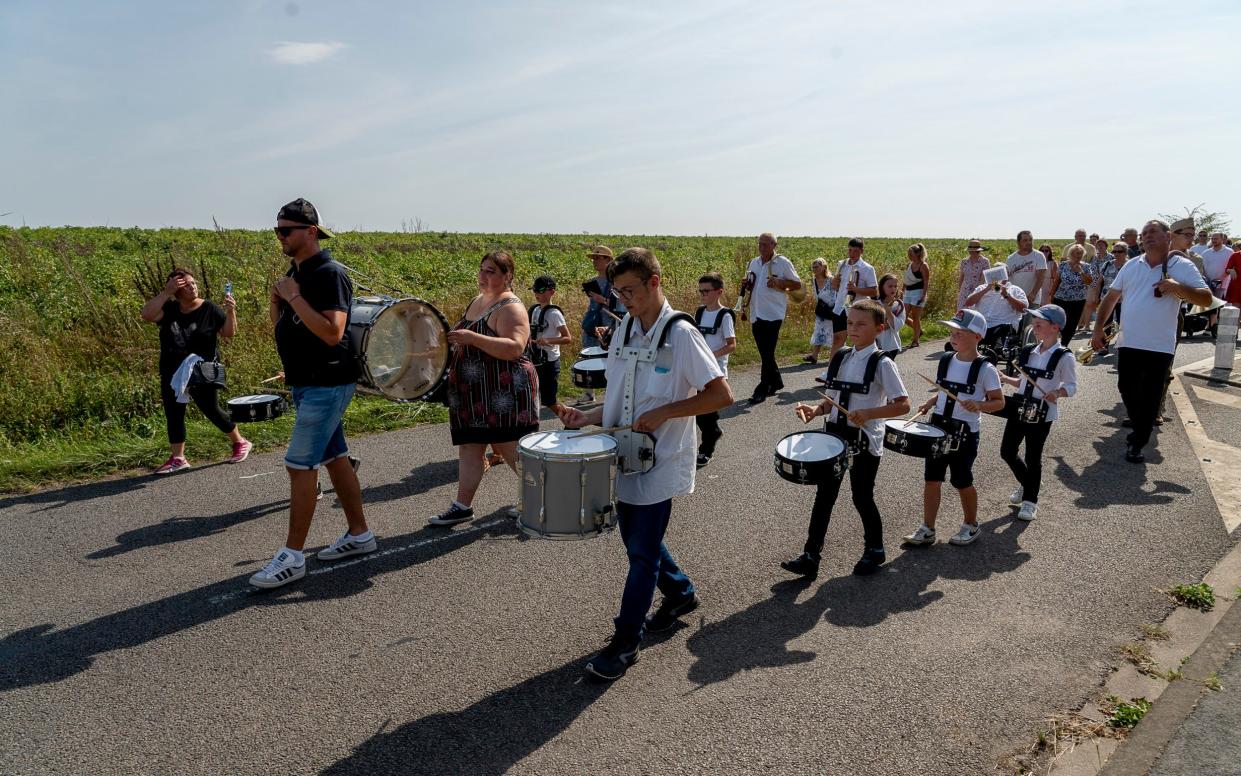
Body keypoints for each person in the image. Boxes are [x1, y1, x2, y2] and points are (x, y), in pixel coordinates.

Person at [556, 247, 732, 681]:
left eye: (631, 290)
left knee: (640, 552)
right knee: (637, 538)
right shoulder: (625, 329)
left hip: (661, 458)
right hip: (623, 453)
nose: (624, 299)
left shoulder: (682, 334)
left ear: (655, 282)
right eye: (618, 292)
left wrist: (668, 411)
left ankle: (625, 642)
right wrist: (589, 416)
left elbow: (720, 395)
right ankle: (680, 592)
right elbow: (622, 398)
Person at [250, 198, 373, 589]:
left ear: (311, 232)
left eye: (285, 230)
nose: (280, 237)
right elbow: (284, 327)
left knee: (299, 466)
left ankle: (292, 556)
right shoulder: (296, 273)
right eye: (277, 231)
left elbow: (333, 331)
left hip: (327, 381)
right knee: (335, 458)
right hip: (306, 380)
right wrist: (278, 302)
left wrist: (293, 297)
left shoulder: (328, 273)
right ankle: (359, 534)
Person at [781, 300, 910, 579]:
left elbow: (903, 405)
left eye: (861, 324)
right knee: (824, 496)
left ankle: (875, 549)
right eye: (850, 323)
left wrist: (870, 412)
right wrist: (816, 410)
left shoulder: (882, 363)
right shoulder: (840, 356)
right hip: (835, 436)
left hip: (864, 440)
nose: (853, 328)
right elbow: (832, 399)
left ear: (879, 328)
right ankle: (811, 556)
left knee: (862, 497)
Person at [429, 251, 540, 526]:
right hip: (473, 394)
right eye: (481, 270)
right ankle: (462, 505)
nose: (483, 276)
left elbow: (515, 347)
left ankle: (541, 500)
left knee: (511, 447)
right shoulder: (478, 301)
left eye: (490, 271)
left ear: (507, 276)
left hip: (504, 392)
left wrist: (471, 338)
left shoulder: (511, 306)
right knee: (469, 446)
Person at [1091, 220, 1211, 463]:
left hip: (1159, 345)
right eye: (1144, 233)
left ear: (1168, 236)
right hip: (1129, 341)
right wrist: (1097, 329)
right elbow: (1111, 297)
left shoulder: (1182, 266)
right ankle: (1140, 425)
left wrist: (1178, 287)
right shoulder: (1132, 265)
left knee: (1151, 395)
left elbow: (1206, 298)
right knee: (1127, 388)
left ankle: (1137, 441)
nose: (1147, 236)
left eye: (1152, 232)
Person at [903, 309, 1004, 548]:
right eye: (952, 332)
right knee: (932, 479)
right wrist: (930, 403)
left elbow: (999, 402)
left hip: (965, 432)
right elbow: (943, 392)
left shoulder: (985, 369)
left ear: (978, 336)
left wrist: (979, 404)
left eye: (960, 332)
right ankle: (928, 528)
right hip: (938, 426)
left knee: (962, 481)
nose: (953, 336)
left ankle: (971, 524)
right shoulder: (947, 359)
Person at [140, 267, 251, 474]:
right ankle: (178, 458)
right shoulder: (170, 309)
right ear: (176, 290)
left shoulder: (208, 308)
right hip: (173, 370)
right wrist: (165, 293)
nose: (193, 287)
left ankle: (240, 442)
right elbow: (146, 314)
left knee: (210, 409)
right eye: (186, 285)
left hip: (202, 370)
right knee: (173, 413)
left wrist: (230, 311)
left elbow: (228, 333)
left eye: (194, 283)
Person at [998, 305, 1077, 522]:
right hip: (1019, 408)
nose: (1034, 325)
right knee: (1007, 451)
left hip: (1042, 414)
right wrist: (1006, 379)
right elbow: (1023, 383)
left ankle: (1031, 501)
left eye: (1039, 322)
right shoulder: (1028, 351)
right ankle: (1028, 483)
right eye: (1034, 321)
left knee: (1033, 457)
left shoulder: (1064, 357)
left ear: (1055, 327)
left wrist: (1058, 392)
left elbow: (1071, 386)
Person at [744, 233, 802, 403]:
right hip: (756, 312)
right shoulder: (753, 262)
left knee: (767, 352)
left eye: (765, 244)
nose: (761, 247)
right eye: (759, 244)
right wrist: (747, 283)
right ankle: (776, 381)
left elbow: (797, 284)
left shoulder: (782, 262)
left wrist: (780, 283)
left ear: (774, 245)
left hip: (773, 313)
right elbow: (752, 283)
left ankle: (762, 388)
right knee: (765, 352)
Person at [693, 272, 737, 468]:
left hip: (714, 371)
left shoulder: (725, 315)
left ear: (719, 292)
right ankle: (711, 434)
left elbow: (731, 345)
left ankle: (707, 447)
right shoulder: (700, 312)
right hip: (697, 369)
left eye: (707, 291)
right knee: (695, 411)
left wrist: (710, 356)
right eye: (700, 291)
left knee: (706, 413)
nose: (702, 294)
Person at [578, 245, 622, 404]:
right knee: (587, 356)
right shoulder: (593, 281)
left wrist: (601, 300)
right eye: (594, 258)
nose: (595, 261)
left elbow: (621, 305)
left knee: (611, 359)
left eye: (598, 258)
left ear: (608, 260)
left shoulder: (616, 283)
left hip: (609, 326)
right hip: (592, 325)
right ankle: (588, 392)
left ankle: (612, 392)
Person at [528, 275, 572, 413]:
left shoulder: (554, 313)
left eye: (541, 290)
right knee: (534, 395)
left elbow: (567, 338)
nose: (537, 294)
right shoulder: (535, 310)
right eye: (535, 290)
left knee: (549, 400)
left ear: (552, 292)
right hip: (535, 359)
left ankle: (571, 419)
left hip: (550, 361)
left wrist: (548, 341)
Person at [964, 263, 1028, 355]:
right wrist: (986, 289)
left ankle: (995, 351)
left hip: (1004, 324)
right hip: (983, 324)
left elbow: (1023, 309)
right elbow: (968, 303)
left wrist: (1007, 296)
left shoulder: (1015, 290)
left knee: (1002, 330)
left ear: (1007, 274)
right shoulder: (982, 288)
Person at [829, 238, 879, 356]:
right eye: (850, 250)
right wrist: (835, 282)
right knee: (837, 339)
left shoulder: (867, 268)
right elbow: (836, 287)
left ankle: (860, 366)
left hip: (856, 308)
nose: (852, 254)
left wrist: (857, 289)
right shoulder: (841, 265)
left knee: (858, 340)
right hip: (840, 307)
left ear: (862, 251)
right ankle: (831, 371)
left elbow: (874, 291)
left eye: (855, 251)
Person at [1050, 244, 1098, 346]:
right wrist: (1051, 296)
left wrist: (1080, 272)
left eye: (1080, 254)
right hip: (1061, 298)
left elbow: (1089, 282)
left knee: (1072, 325)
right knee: (1060, 323)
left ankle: (1064, 345)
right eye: (1076, 254)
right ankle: (1057, 343)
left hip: (1077, 300)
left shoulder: (1086, 267)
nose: (1078, 256)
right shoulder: (1063, 265)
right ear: (1071, 254)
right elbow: (1056, 281)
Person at [804, 258, 837, 364]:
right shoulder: (814, 280)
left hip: (832, 310)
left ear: (823, 267)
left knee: (834, 333)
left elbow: (838, 292)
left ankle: (836, 356)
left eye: (817, 267)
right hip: (822, 310)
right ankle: (814, 356)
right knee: (818, 331)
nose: (814, 269)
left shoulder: (831, 279)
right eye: (813, 267)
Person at [1006, 231, 1048, 308]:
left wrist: (1033, 293)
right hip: (1015, 299)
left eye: (1030, 239)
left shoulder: (1039, 256)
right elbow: (1007, 276)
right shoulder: (1011, 258)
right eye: (1025, 240)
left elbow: (1041, 277)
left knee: (1030, 320)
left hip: (1032, 299)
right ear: (1019, 242)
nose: (1029, 242)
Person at [902, 243, 930, 347]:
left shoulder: (923, 266)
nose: (909, 255)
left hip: (918, 293)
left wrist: (923, 295)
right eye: (908, 253)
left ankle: (915, 340)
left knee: (915, 316)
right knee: (903, 316)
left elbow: (926, 281)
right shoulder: (909, 265)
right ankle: (919, 331)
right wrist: (901, 291)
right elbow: (906, 280)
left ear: (918, 254)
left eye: (911, 253)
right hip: (908, 293)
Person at [875, 273, 906, 359]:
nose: (893, 289)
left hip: (891, 345)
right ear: (882, 287)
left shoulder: (899, 305)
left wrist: (888, 311)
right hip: (876, 343)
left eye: (895, 286)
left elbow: (898, 325)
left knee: (887, 367)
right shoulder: (875, 304)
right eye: (890, 286)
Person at [956, 239, 990, 310]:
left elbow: (984, 278)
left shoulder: (984, 261)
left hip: (977, 290)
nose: (971, 252)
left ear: (978, 251)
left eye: (973, 250)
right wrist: (960, 290)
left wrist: (977, 291)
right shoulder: (964, 261)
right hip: (964, 290)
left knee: (975, 310)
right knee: (962, 310)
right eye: (970, 250)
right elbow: (962, 276)